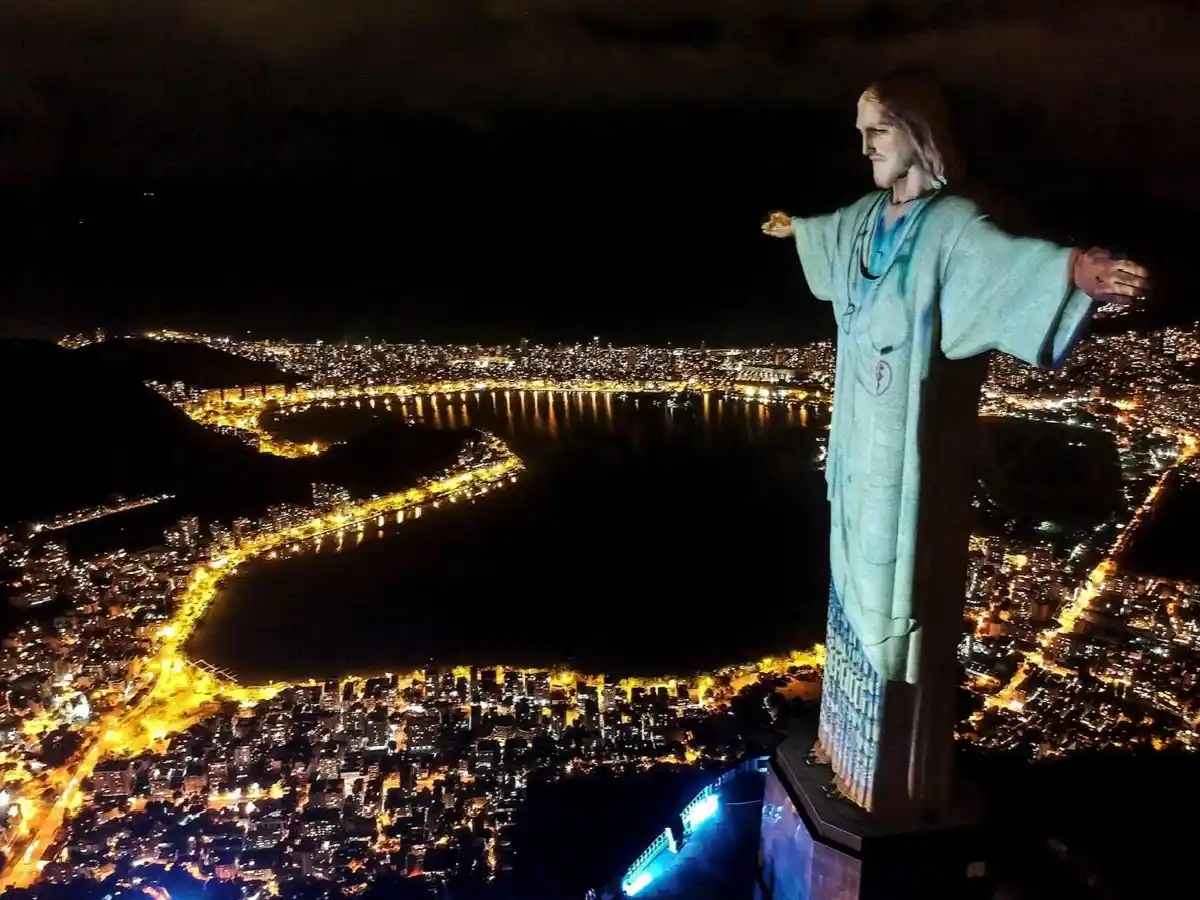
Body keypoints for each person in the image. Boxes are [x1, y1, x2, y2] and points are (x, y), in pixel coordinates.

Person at [760, 70, 1150, 813]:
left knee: (896, 603)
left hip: (908, 457)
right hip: (857, 448)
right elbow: (832, 231)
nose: (865, 144)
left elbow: (1007, 261)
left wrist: (1078, 271)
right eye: (861, 131)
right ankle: (842, 750)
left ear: (918, 134)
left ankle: (892, 788)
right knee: (850, 586)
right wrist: (797, 229)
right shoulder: (870, 217)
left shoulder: (950, 227)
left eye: (877, 130)